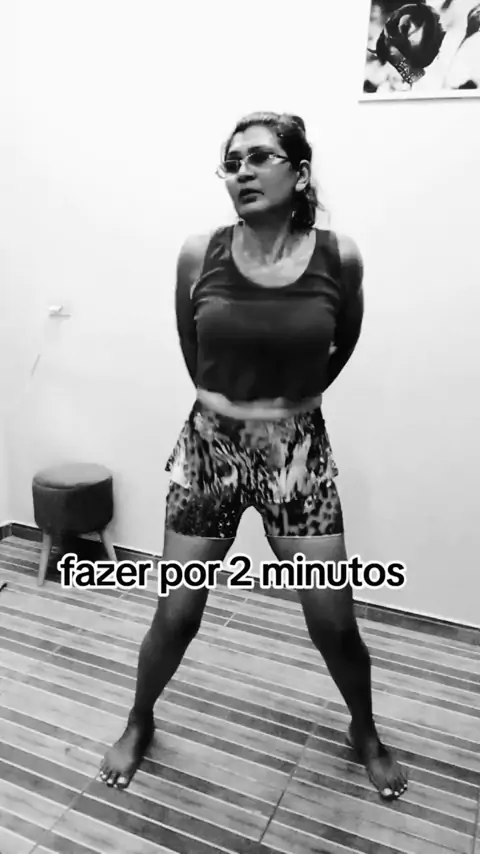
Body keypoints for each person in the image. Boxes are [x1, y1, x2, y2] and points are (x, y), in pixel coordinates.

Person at [99, 111, 408, 801]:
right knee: (177, 613)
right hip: (211, 450)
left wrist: (290, 406)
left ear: (300, 172)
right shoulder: (198, 252)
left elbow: (343, 340)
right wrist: (228, 408)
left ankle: (364, 730)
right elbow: (193, 349)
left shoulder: (340, 256)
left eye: (260, 156)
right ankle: (140, 717)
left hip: (298, 456)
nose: (242, 171)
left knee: (333, 620)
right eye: (231, 161)